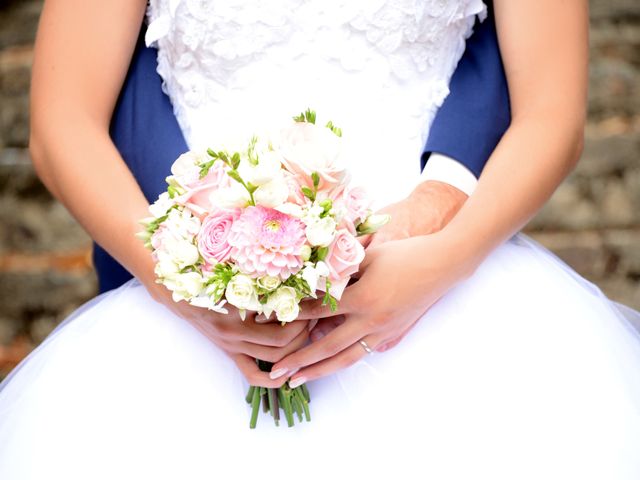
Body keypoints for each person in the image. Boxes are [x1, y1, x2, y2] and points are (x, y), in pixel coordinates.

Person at [1, 1, 639, 479]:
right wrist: (182, 277)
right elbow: (63, 123)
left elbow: (551, 114)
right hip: (205, 314)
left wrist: (446, 257)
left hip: (445, 292)